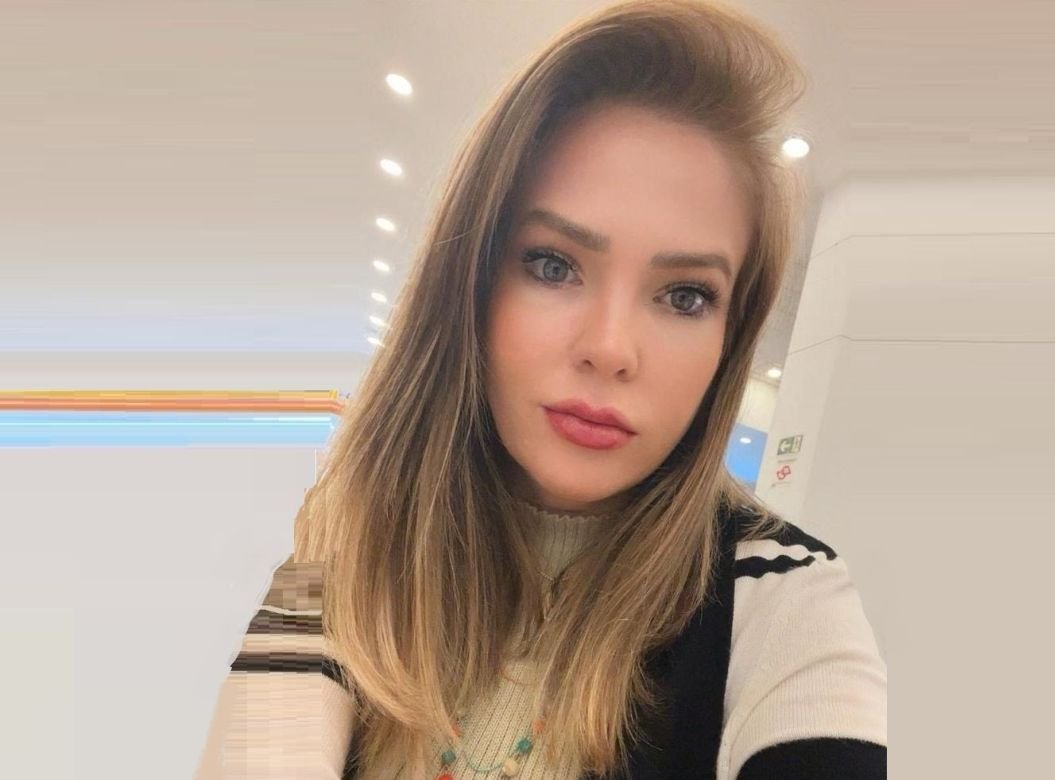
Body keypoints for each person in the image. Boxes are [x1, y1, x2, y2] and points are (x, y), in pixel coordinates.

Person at [194, 1, 887, 778]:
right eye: (553, 265)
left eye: (685, 295)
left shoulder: (788, 601)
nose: (610, 348)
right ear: (471, 282)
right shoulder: (343, 548)